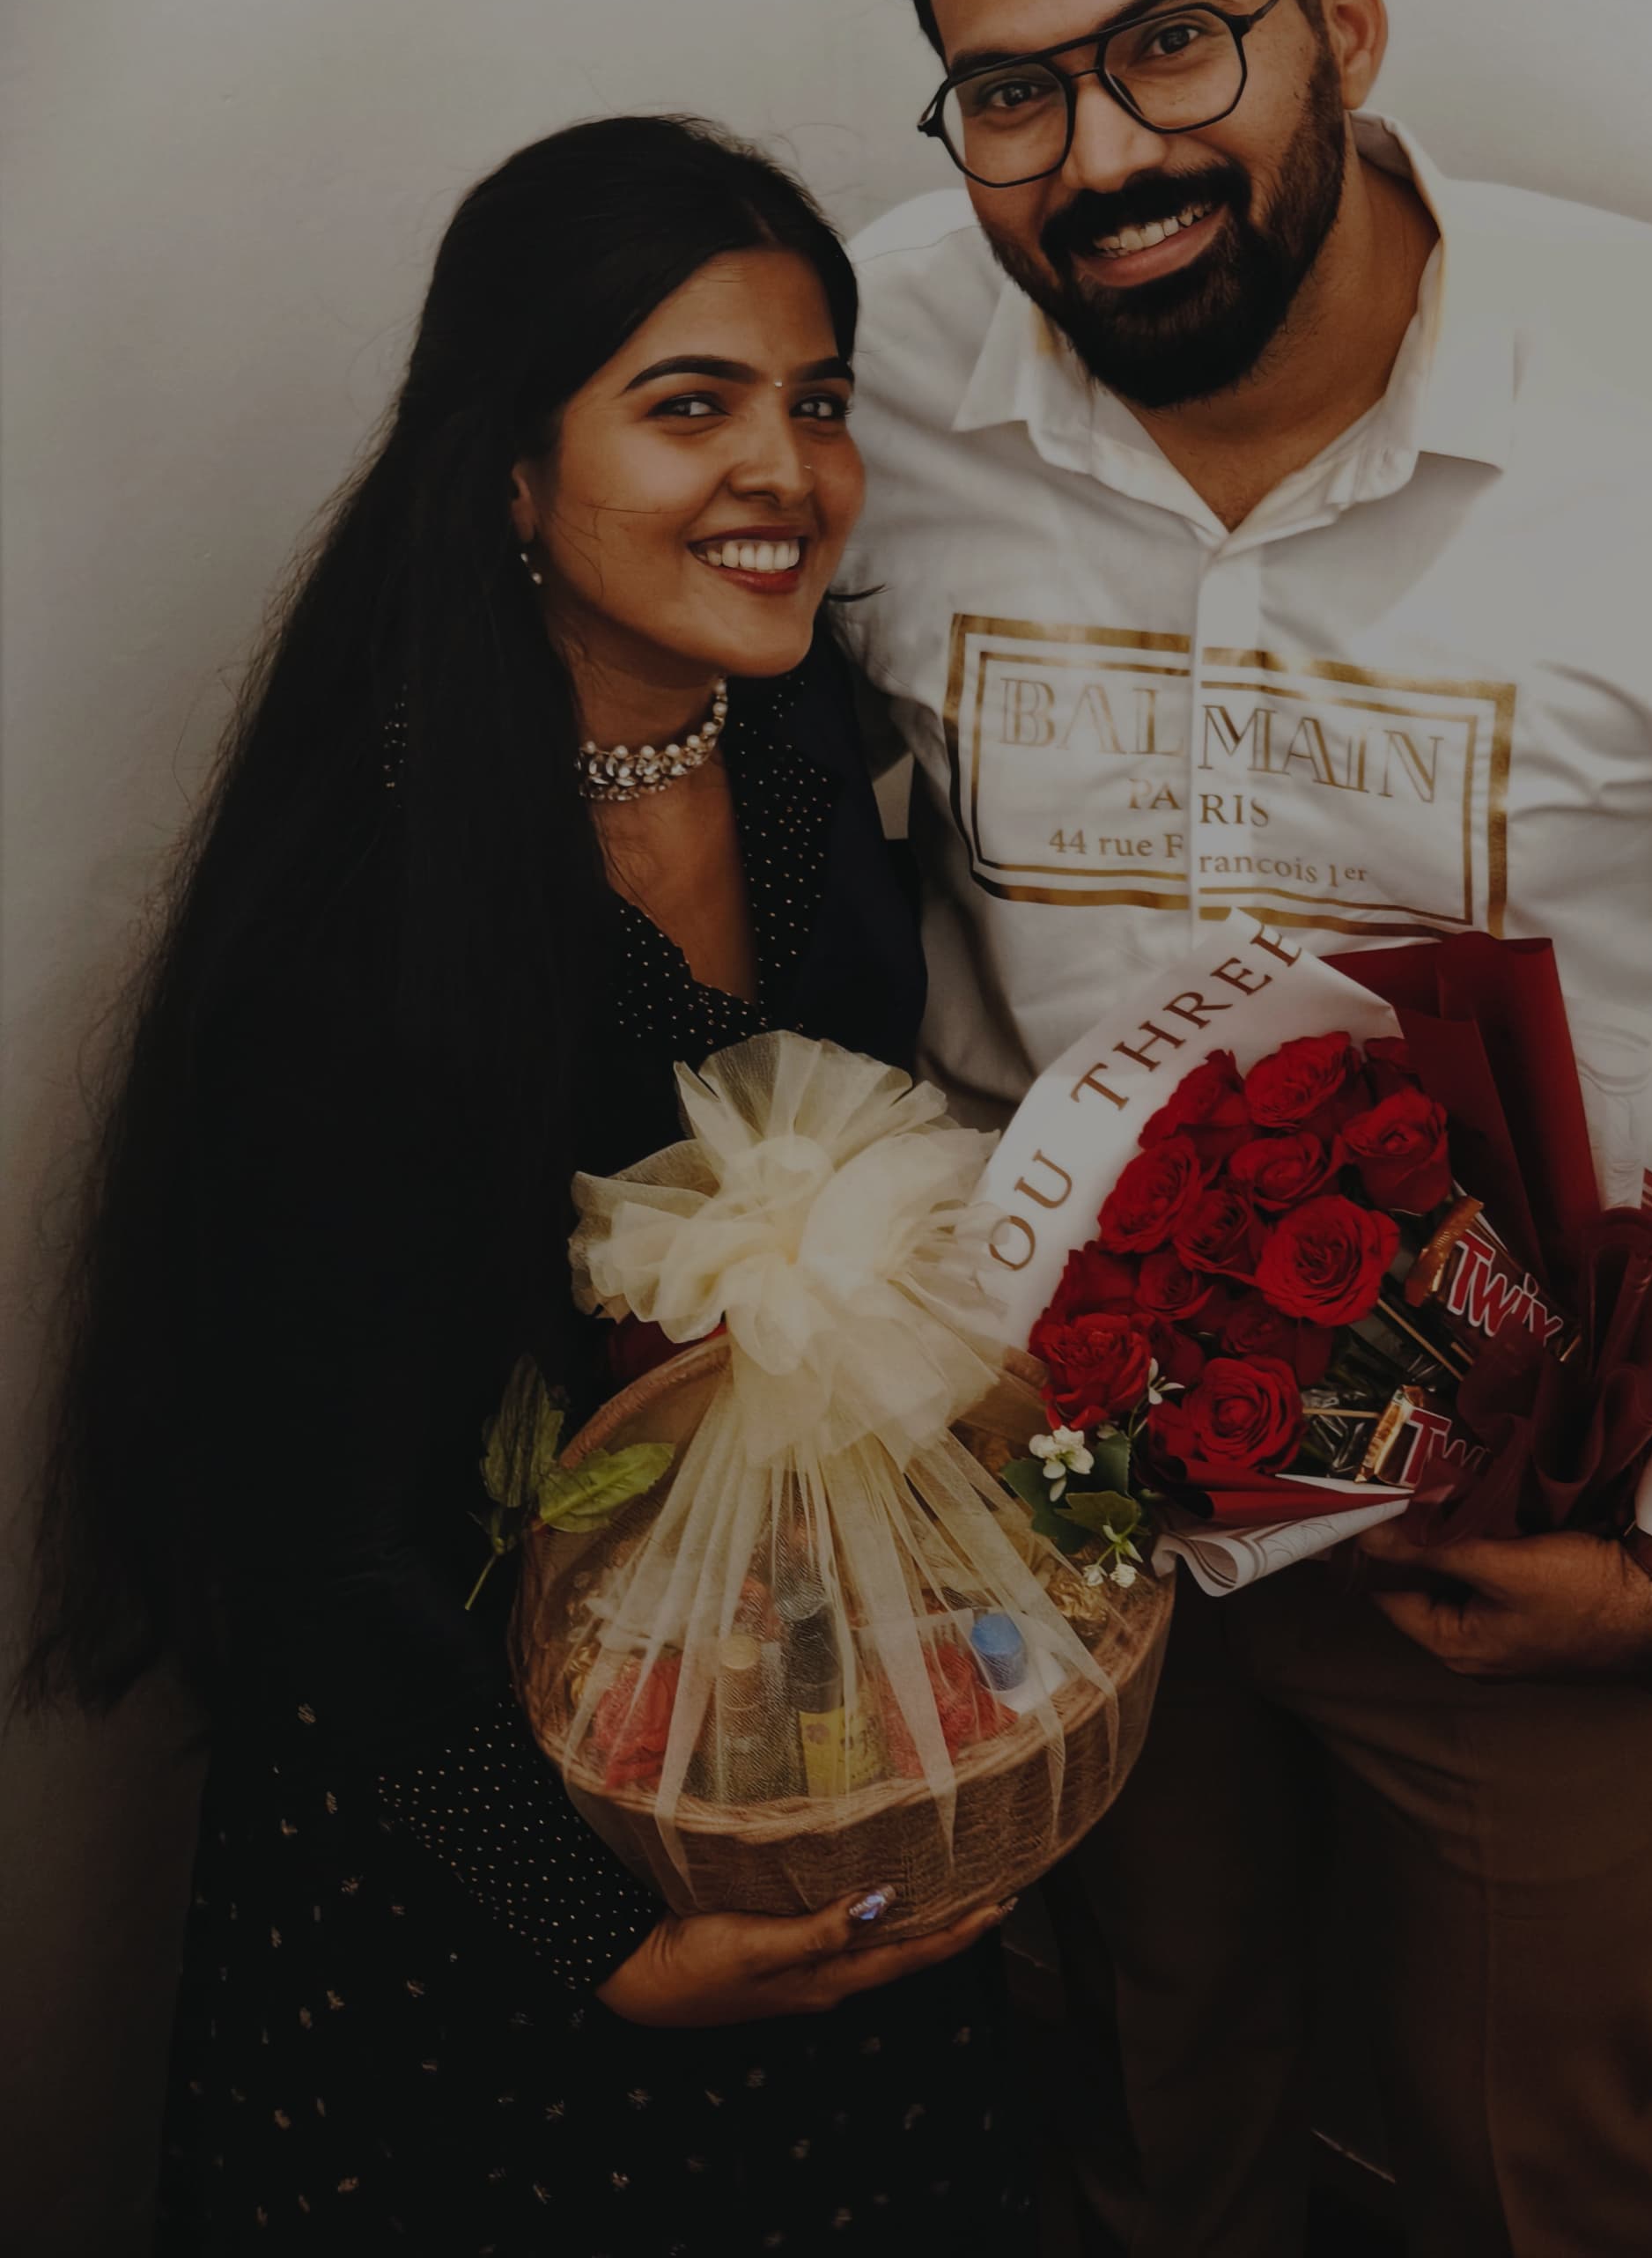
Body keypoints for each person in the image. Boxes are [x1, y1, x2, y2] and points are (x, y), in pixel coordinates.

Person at [832, 0, 1652, 2257]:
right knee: (1149, 2127)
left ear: (1340, 22)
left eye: (1172, 43)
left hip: (1522, 1524)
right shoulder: (873, 373)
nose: (1106, 156)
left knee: (1529, 2176)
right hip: (1054, 1504)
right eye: (1008, 91)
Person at [21, 115, 1030, 2254]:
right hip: (487, 1873)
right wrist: (603, 1938)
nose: (786, 471)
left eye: (818, 402)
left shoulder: (794, 753)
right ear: (502, 473)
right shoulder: (372, 934)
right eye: (692, 407)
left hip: (783, 1744)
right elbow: (316, 1552)